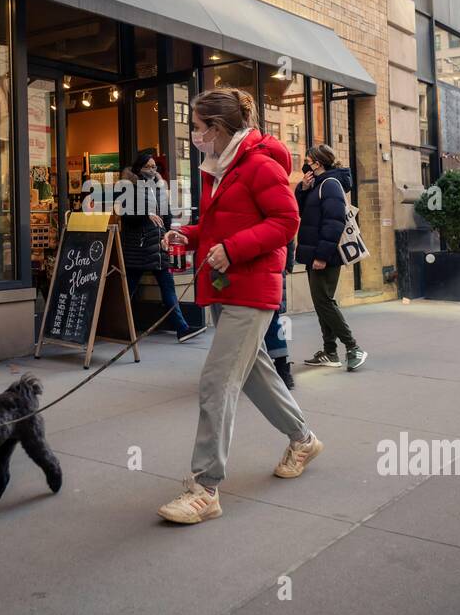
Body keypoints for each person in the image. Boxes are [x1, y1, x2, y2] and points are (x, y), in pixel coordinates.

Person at [157, 87, 320, 525]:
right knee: (254, 375)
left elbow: (286, 223)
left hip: (250, 289)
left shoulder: (259, 166)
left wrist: (231, 249)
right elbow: (218, 225)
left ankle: (204, 488)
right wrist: (189, 236)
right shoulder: (220, 168)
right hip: (227, 285)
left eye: (196, 127)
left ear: (217, 128)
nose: (193, 135)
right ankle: (303, 439)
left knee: (216, 381)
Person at [118, 150, 205, 343]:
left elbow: (165, 215)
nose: (152, 170)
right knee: (127, 290)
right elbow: (125, 216)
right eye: (148, 166)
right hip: (138, 248)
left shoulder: (159, 188)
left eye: (154, 166)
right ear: (138, 168)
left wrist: (167, 234)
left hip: (158, 247)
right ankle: (117, 326)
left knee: (168, 288)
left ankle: (182, 328)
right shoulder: (129, 187)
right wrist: (144, 214)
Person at [295, 144, 368, 372]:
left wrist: (322, 256)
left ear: (318, 163)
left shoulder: (330, 184)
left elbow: (334, 221)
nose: (306, 163)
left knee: (324, 302)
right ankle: (330, 352)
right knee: (321, 303)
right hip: (315, 252)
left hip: (323, 255)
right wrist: (303, 189)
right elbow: (303, 214)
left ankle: (353, 347)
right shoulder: (317, 184)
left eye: (309, 159)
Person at [263, 240, 297, 389]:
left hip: (271, 267)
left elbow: (288, 236)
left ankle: (282, 368)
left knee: (273, 320)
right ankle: (281, 369)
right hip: (269, 268)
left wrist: (288, 263)